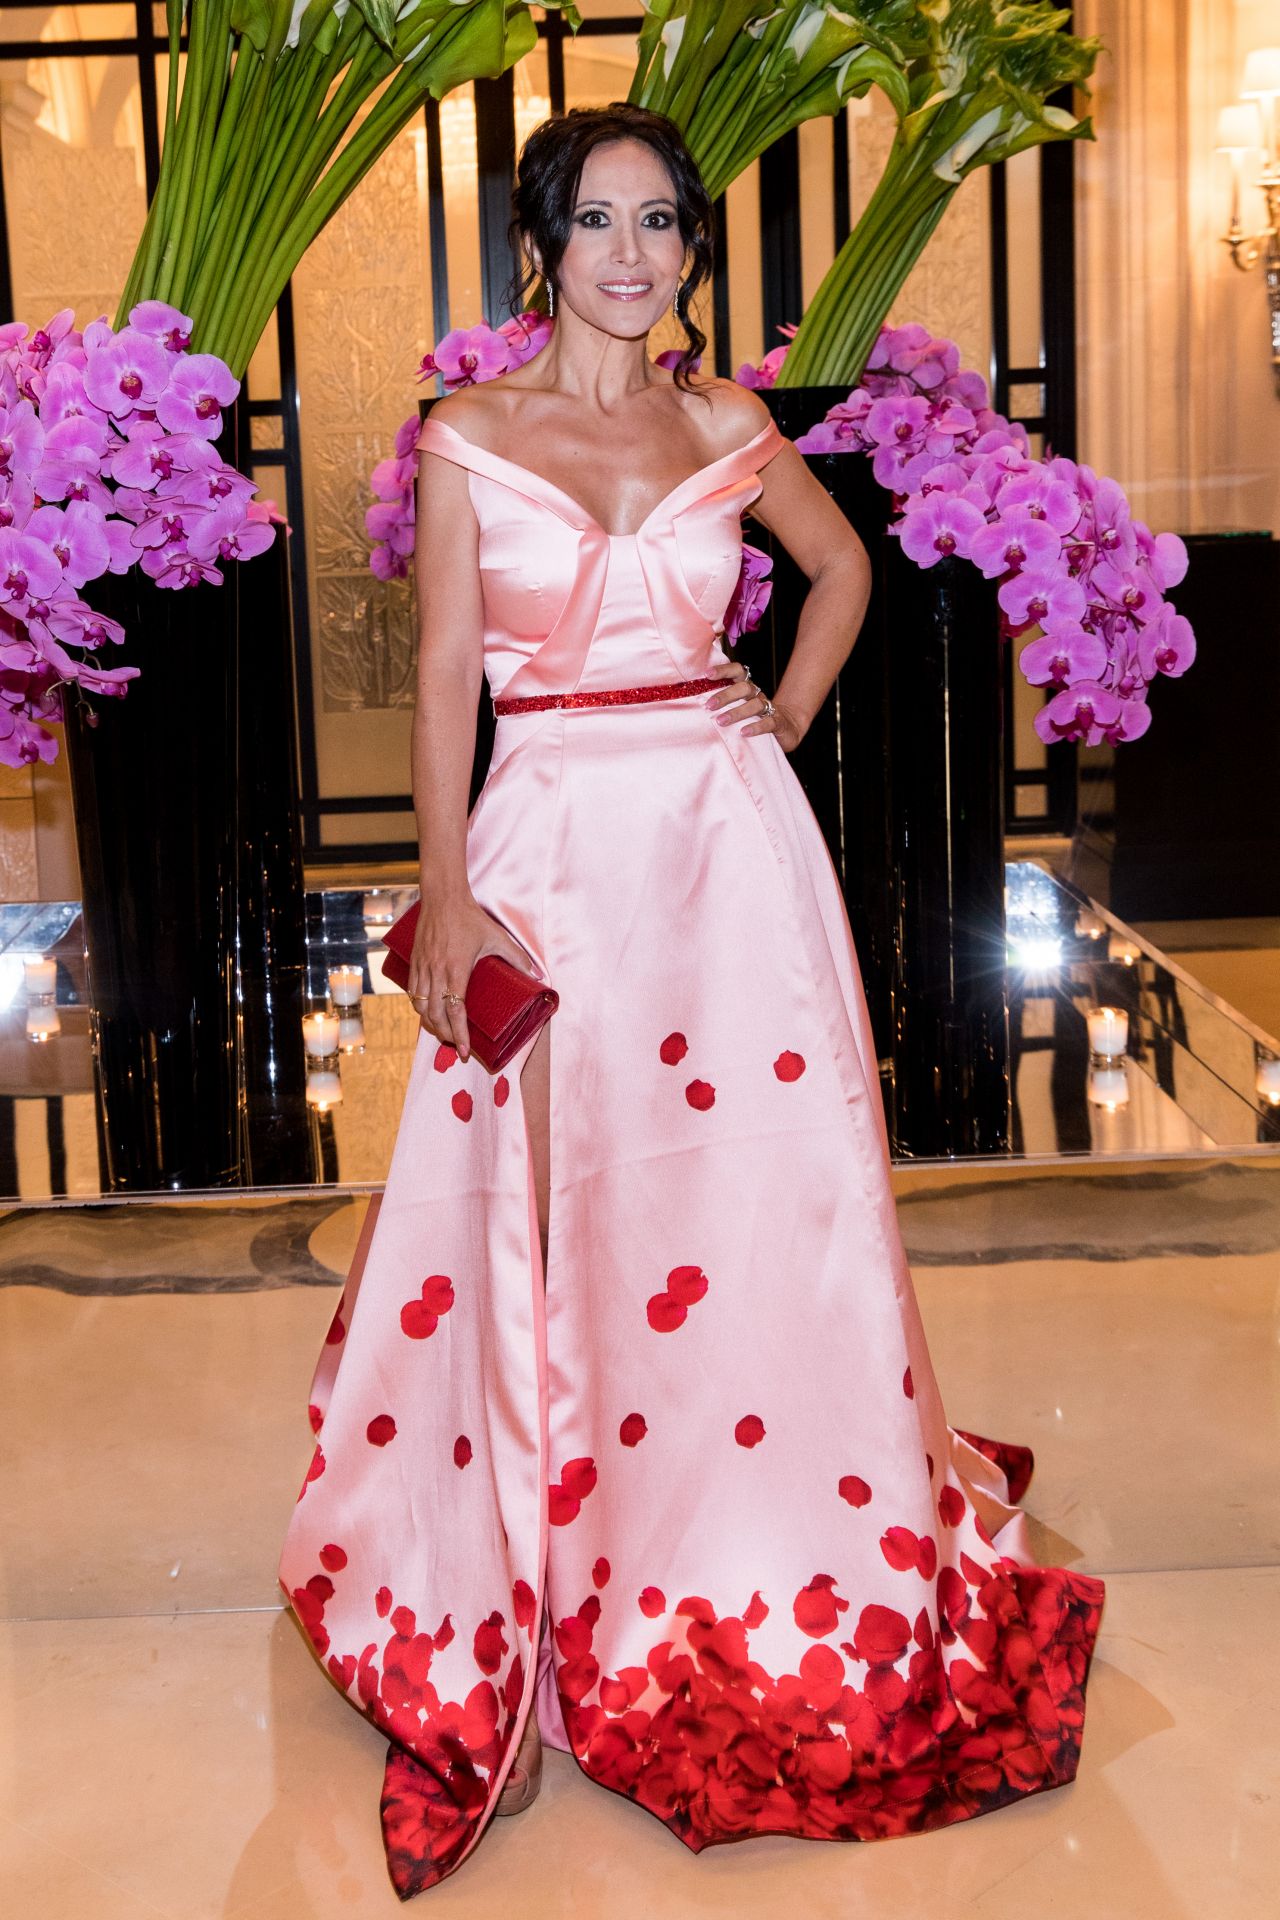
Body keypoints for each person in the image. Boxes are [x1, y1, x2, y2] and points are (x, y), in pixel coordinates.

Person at [278, 101, 1105, 1901]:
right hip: (548, 856)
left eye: (661, 223)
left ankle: (752, 1519)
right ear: (540, 245)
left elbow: (845, 568)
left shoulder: (729, 424)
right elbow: (445, 673)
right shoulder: (467, 434)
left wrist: (781, 713)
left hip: (731, 859)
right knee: (550, 1216)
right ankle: (533, 1584)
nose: (631, 255)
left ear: (691, 251)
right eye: (597, 221)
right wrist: (444, 895)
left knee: (747, 1208)